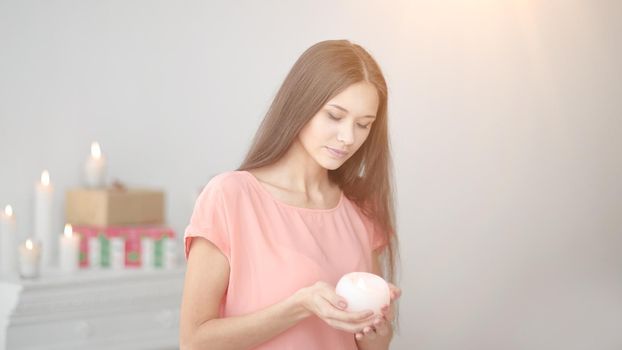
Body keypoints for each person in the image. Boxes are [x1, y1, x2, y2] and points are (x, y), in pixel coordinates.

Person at [179, 39, 401, 350]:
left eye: (363, 124)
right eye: (335, 116)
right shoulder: (231, 198)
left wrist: (378, 336)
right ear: (301, 105)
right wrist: (299, 306)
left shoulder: (361, 206)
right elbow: (195, 342)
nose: (348, 138)